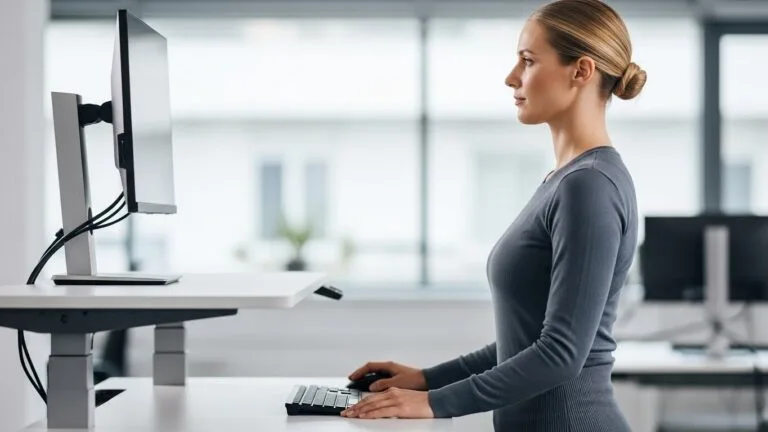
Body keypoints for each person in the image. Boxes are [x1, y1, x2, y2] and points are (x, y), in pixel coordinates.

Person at [340, 0, 646, 430]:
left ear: (581, 71)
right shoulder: (565, 180)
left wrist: (434, 403)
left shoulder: (590, 186)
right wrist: (428, 380)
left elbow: (560, 354)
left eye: (527, 61)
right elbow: (526, 339)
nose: (511, 78)